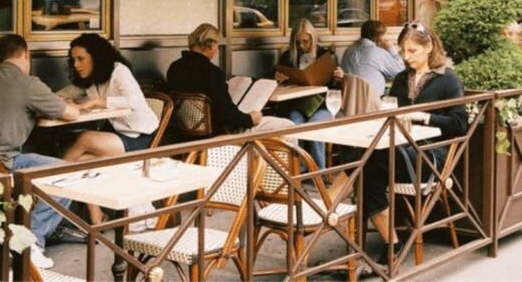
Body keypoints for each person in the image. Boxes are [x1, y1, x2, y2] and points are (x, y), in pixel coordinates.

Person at [0, 35, 80, 269]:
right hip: (1, 166)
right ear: (26, 54)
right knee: (67, 173)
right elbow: (72, 114)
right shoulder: (28, 84)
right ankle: (30, 242)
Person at [361, 22, 468, 264]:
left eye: (412, 51)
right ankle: (392, 243)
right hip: (400, 149)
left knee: (364, 161)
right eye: (403, 51)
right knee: (364, 168)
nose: (406, 57)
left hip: (432, 154)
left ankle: (328, 210)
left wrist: (424, 116)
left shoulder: (448, 79)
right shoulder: (401, 78)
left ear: (429, 47)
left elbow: (460, 123)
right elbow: (393, 110)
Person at [58, 33, 159, 226]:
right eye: (73, 60)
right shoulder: (91, 78)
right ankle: (96, 215)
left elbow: (133, 101)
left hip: (141, 138)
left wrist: (97, 101)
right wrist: (59, 99)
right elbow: (65, 92)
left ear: (96, 57)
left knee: (85, 138)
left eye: (81, 59)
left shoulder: (119, 71)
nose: (76, 65)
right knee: (80, 162)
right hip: (118, 135)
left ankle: (47, 182)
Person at [166, 23, 294, 134]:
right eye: (217, 45)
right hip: (219, 133)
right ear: (211, 44)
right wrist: (250, 119)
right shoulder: (212, 72)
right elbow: (226, 114)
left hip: (185, 132)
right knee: (288, 125)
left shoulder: (174, 68)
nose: (216, 49)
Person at [275, 18, 342, 170]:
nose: (301, 46)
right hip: (299, 105)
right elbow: (274, 75)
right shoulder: (288, 56)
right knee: (293, 124)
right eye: (298, 42)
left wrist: (339, 77)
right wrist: (277, 78)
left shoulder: (325, 55)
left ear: (313, 38)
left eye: (306, 41)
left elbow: (337, 89)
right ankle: (300, 167)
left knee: (314, 127)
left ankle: (318, 172)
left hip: (322, 105)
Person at [340, 19, 404, 97]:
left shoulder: (348, 51)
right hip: (373, 100)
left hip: (350, 99)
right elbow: (400, 72)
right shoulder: (378, 52)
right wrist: (391, 49)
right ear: (380, 38)